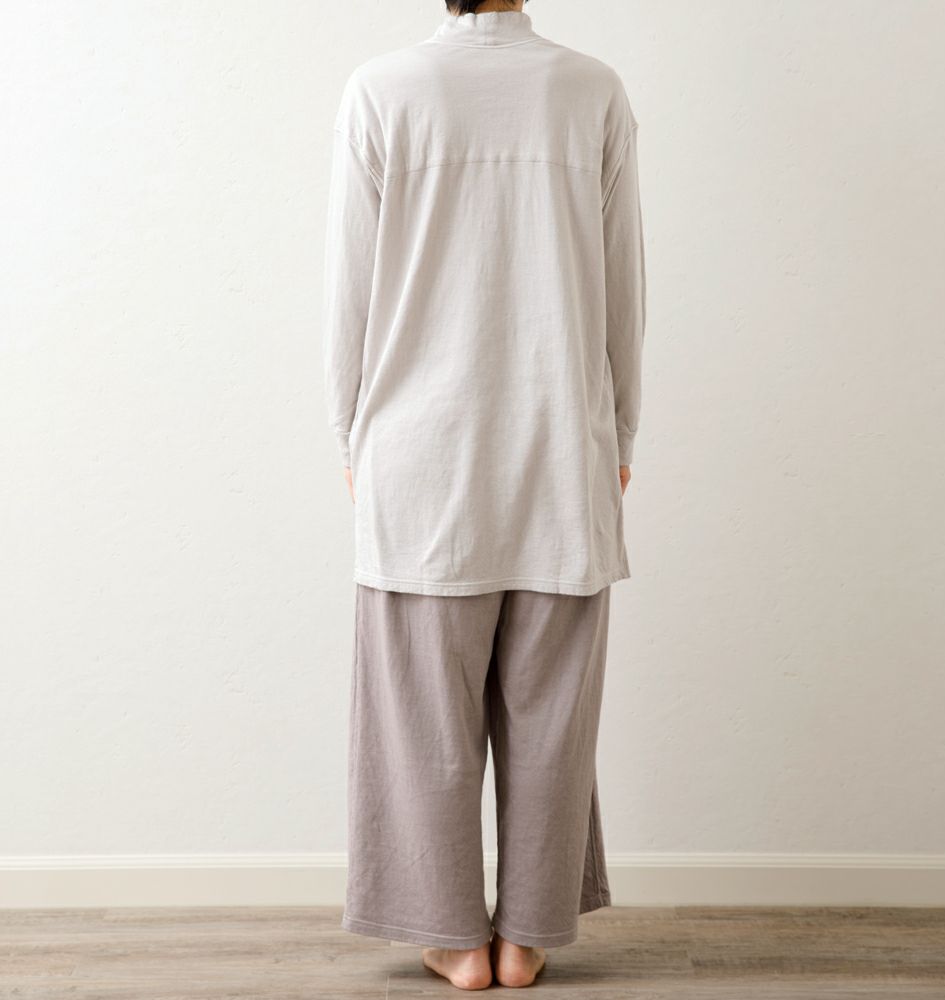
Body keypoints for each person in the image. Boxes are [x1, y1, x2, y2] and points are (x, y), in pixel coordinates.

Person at [322, 0, 645, 989]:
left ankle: (452, 937)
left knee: (422, 715)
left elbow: (350, 289)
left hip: (420, 452)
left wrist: (350, 434)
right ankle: (526, 935)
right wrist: (620, 432)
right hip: (560, 443)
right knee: (551, 713)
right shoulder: (590, 89)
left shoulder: (382, 89)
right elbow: (624, 288)